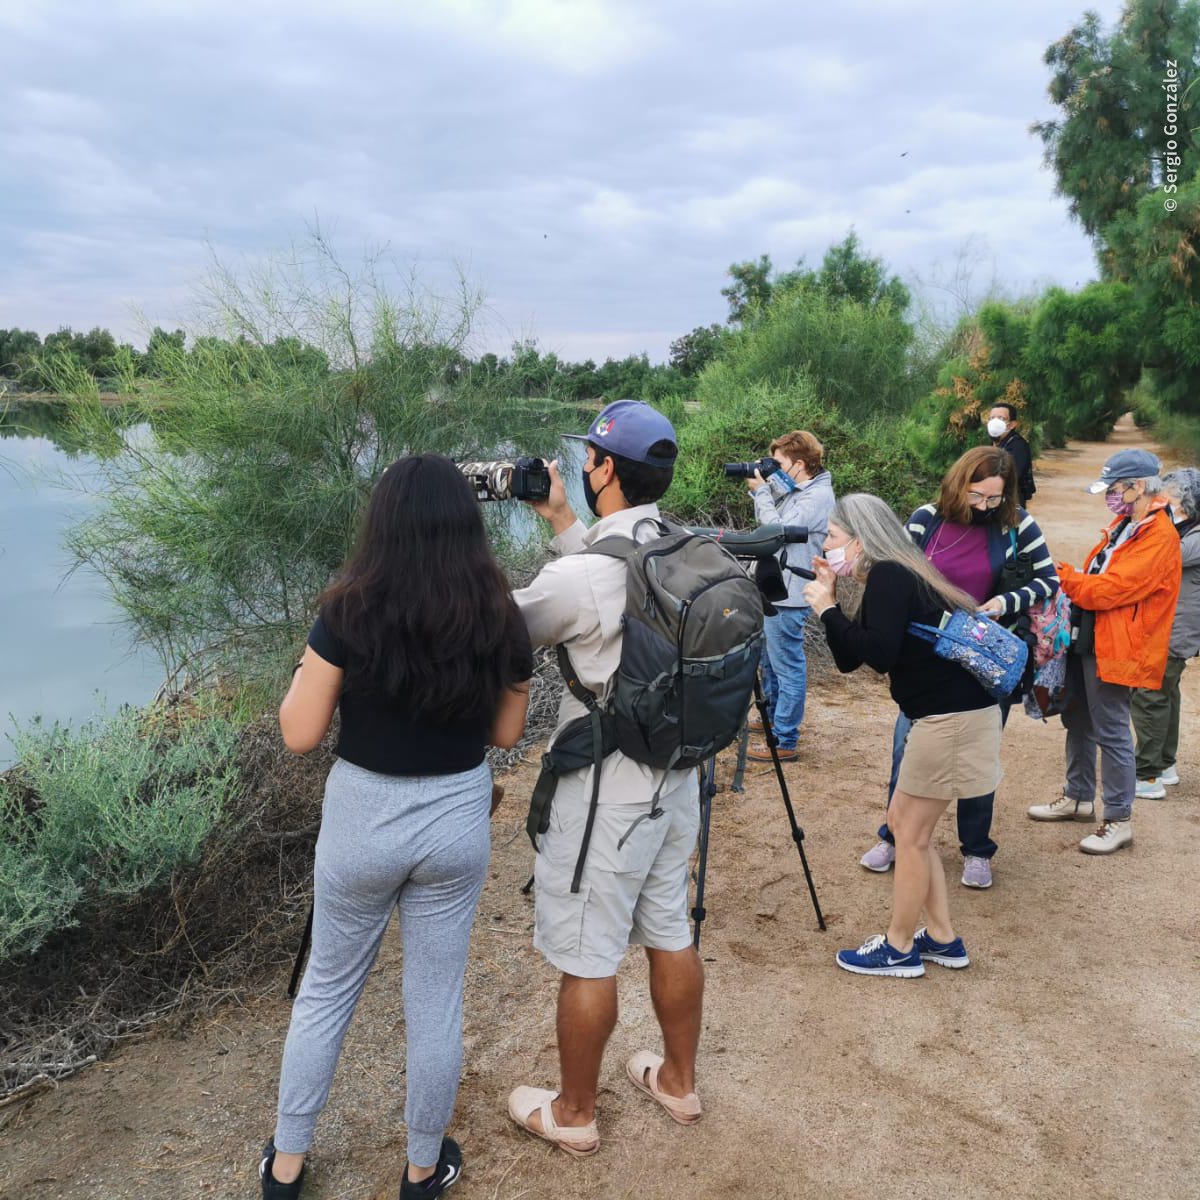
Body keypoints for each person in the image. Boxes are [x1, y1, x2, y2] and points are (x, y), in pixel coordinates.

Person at [259, 456, 533, 1200]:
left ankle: (285, 1164)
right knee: (435, 997)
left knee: (327, 990)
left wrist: (305, 674)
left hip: (362, 818)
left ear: (380, 523)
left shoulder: (347, 609)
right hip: (453, 819)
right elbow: (508, 733)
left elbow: (299, 734)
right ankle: (420, 1169)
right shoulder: (499, 612)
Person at [507, 399, 704, 1156]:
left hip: (604, 798)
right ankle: (679, 1084)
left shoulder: (585, 576)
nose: (584, 468)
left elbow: (498, 632)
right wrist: (561, 518)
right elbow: (607, 568)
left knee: (589, 951)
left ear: (606, 469)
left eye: (589, 458)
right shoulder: (686, 546)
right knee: (669, 931)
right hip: (675, 779)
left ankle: (576, 1113)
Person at [804, 493, 1003, 978]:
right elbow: (853, 658)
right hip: (945, 715)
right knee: (908, 828)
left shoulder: (893, 573)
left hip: (950, 719)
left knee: (909, 835)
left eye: (832, 536)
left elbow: (881, 657)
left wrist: (829, 608)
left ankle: (897, 948)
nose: (827, 545)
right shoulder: (893, 573)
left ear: (859, 537)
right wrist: (831, 602)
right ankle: (942, 938)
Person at [858, 447, 1059, 889]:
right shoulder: (924, 520)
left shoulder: (1017, 524)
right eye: (977, 495)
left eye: (994, 499)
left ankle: (976, 849)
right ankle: (893, 837)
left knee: (977, 762)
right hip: (925, 659)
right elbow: (895, 573)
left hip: (986, 661)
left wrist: (1005, 602)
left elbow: (1049, 581)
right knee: (905, 750)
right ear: (957, 484)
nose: (984, 507)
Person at [1027, 448, 1181, 854]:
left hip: (1119, 645)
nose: (1110, 497)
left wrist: (1059, 574)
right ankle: (1078, 797)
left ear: (1139, 487)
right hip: (1092, 637)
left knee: (1111, 728)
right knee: (1078, 718)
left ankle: (1118, 818)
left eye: (1115, 489)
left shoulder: (1159, 536)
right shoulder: (1125, 524)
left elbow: (1110, 590)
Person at [744, 429, 835, 762]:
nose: (774, 469)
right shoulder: (800, 488)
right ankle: (772, 720)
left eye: (779, 464)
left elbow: (776, 534)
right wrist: (767, 490)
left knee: (788, 667)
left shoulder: (817, 497)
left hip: (792, 593)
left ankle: (784, 740)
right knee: (770, 663)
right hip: (776, 587)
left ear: (798, 464)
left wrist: (763, 495)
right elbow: (770, 523)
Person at [1130, 467, 1200, 797]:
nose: (1160, 500)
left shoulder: (1190, 538)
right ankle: (1164, 763)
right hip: (1171, 627)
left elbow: (1159, 556)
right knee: (1166, 694)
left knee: (1149, 694)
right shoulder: (1185, 529)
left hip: (1176, 630)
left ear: (1184, 501)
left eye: (1168, 495)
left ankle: (1147, 775)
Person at [987, 403, 1036, 506]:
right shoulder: (991, 445)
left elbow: (1011, 475)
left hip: (1010, 503)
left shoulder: (1018, 446)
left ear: (1012, 424)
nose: (994, 422)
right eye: (991, 418)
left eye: (1000, 418)